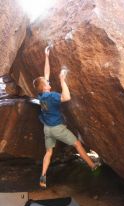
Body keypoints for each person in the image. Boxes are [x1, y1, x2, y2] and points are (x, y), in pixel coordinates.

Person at [33, 46, 100, 188]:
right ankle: (92, 165)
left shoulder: (41, 95)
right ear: (45, 87)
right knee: (77, 144)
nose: (48, 82)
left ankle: (43, 176)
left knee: (49, 152)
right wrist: (62, 79)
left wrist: (46, 56)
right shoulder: (51, 96)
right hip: (57, 128)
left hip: (47, 129)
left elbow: (45, 75)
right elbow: (67, 97)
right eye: (47, 83)